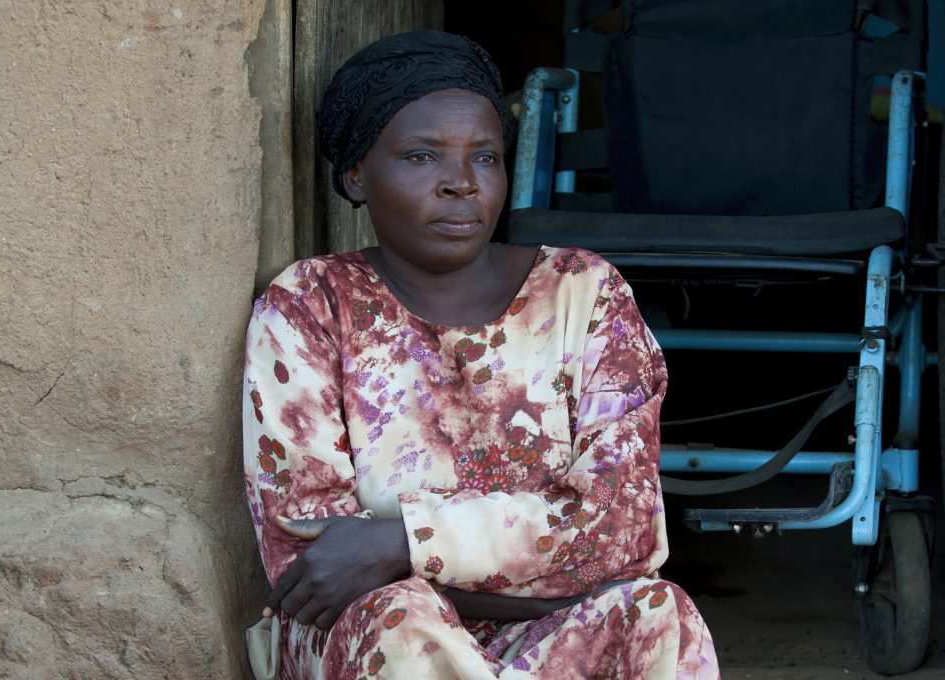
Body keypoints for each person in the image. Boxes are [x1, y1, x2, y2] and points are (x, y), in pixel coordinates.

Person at [242, 30, 718, 679]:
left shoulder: (583, 293)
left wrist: (402, 541)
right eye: (421, 157)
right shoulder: (309, 307)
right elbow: (316, 565)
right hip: (380, 641)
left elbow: (625, 531)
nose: (461, 184)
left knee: (661, 612)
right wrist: (543, 574)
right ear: (355, 175)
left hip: (557, 637)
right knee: (398, 619)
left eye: (485, 158)